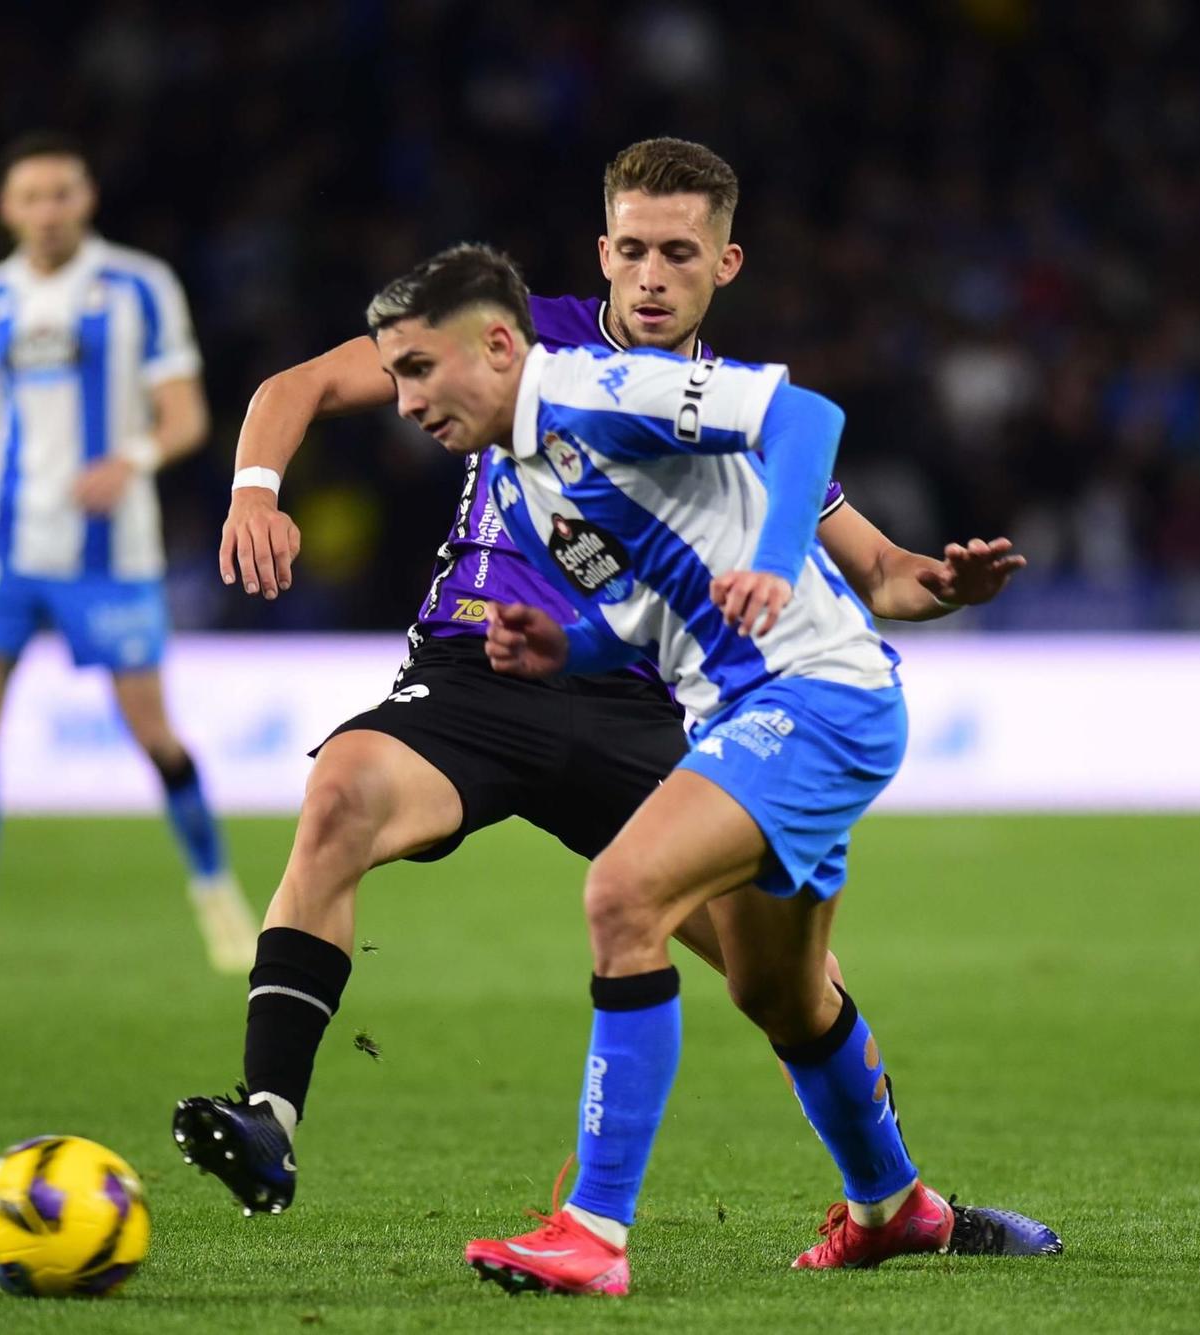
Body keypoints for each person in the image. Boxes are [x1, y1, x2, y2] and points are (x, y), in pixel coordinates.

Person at [173, 140, 1036, 1259]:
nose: (649, 277)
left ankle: (895, 1201)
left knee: (786, 986)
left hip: (654, 709)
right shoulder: (516, 347)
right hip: (487, 669)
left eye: (677, 254)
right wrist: (255, 490)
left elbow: (876, 569)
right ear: (599, 253)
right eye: (630, 250)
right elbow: (301, 385)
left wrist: (941, 581)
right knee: (342, 792)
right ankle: (271, 1115)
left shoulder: (718, 412)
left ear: (724, 264)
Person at [366, 240, 1000, 1293]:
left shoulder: (599, 388)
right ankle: (893, 1208)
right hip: (742, 713)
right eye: (393, 376)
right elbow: (637, 617)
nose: (401, 400)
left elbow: (805, 421)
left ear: (493, 344)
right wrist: (561, 651)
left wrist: (774, 548)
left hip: (818, 695)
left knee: (621, 891)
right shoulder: (522, 488)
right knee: (783, 997)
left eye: (417, 369)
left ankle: (593, 1231)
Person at [0, 134, 257, 978]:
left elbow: (186, 415)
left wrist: (133, 460)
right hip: (4, 547)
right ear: (7, 209)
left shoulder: (139, 289)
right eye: (32, 196)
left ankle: (221, 901)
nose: (49, 210)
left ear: (89, 199)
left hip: (108, 554)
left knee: (152, 729)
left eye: (63, 193)